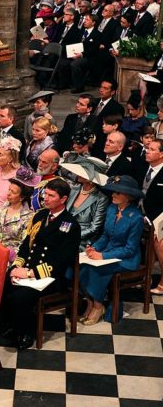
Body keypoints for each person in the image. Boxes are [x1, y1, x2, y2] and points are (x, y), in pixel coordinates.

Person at [0, 178, 81, 350]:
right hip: (28, 269)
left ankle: (25, 332)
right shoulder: (40, 215)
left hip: (50, 277)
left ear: (63, 199)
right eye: (45, 194)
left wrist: (30, 274)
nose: (46, 198)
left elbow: (62, 261)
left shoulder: (70, 224)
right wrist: (16, 267)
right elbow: (26, 246)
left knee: (21, 297)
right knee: (2, 283)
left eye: (51, 196)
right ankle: (6, 327)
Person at [79, 175, 144, 325]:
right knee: (79, 264)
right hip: (108, 251)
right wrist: (94, 248)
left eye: (118, 193)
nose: (113, 195)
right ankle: (90, 302)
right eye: (113, 192)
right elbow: (105, 236)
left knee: (97, 270)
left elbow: (130, 249)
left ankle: (98, 306)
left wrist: (103, 256)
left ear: (128, 196)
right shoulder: (111, 208)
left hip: (127, 259)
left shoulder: (136, 218)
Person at [0, 166, 39, 263]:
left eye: (13, 192)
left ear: (22, 197)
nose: (8, 193)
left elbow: (23, 245)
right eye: (9, 189)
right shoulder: (2, 208)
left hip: (10, 260)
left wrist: (5, 254)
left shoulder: (29, 217)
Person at [60, 155, 110, 249]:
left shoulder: (101, 198)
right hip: (64, 232)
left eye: (84, 171)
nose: (79, 173)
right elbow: (64, 215)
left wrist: (72, 236)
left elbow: (94, 228)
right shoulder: (73, 189)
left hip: (82, 240)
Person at [138, 139, 163, 295]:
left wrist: (153, 218)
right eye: (147, 148)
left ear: (161, 154)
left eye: (152, 149)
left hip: (160, 214)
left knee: (158, 242)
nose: (147, 151)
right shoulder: (143, 167)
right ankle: (142, 277)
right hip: (142, 211)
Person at [91, 79, 125, 159]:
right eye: (101, 87)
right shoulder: (93, 102)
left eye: (105, 88)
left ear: (112, 92)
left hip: (101, 145)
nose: (101, 90)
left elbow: (113, 130)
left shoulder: (117, 108)